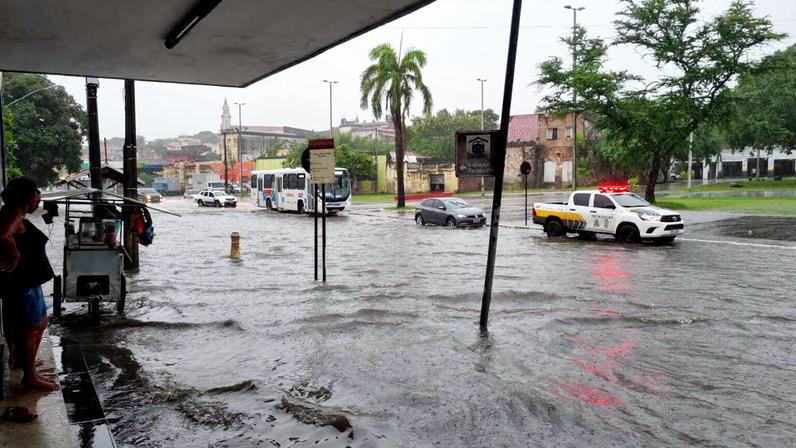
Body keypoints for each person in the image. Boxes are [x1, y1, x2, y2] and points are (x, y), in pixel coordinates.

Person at [0, 178, 58, 392]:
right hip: (22, 283)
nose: (38, 202)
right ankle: (30, 377)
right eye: (37, 197)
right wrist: (13, 254)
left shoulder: (14, 214)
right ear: (28, 197)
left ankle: (24, 362)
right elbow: (2, 235)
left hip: (30, 282)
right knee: (29, 327)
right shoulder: (12, 216)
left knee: (40, 322)